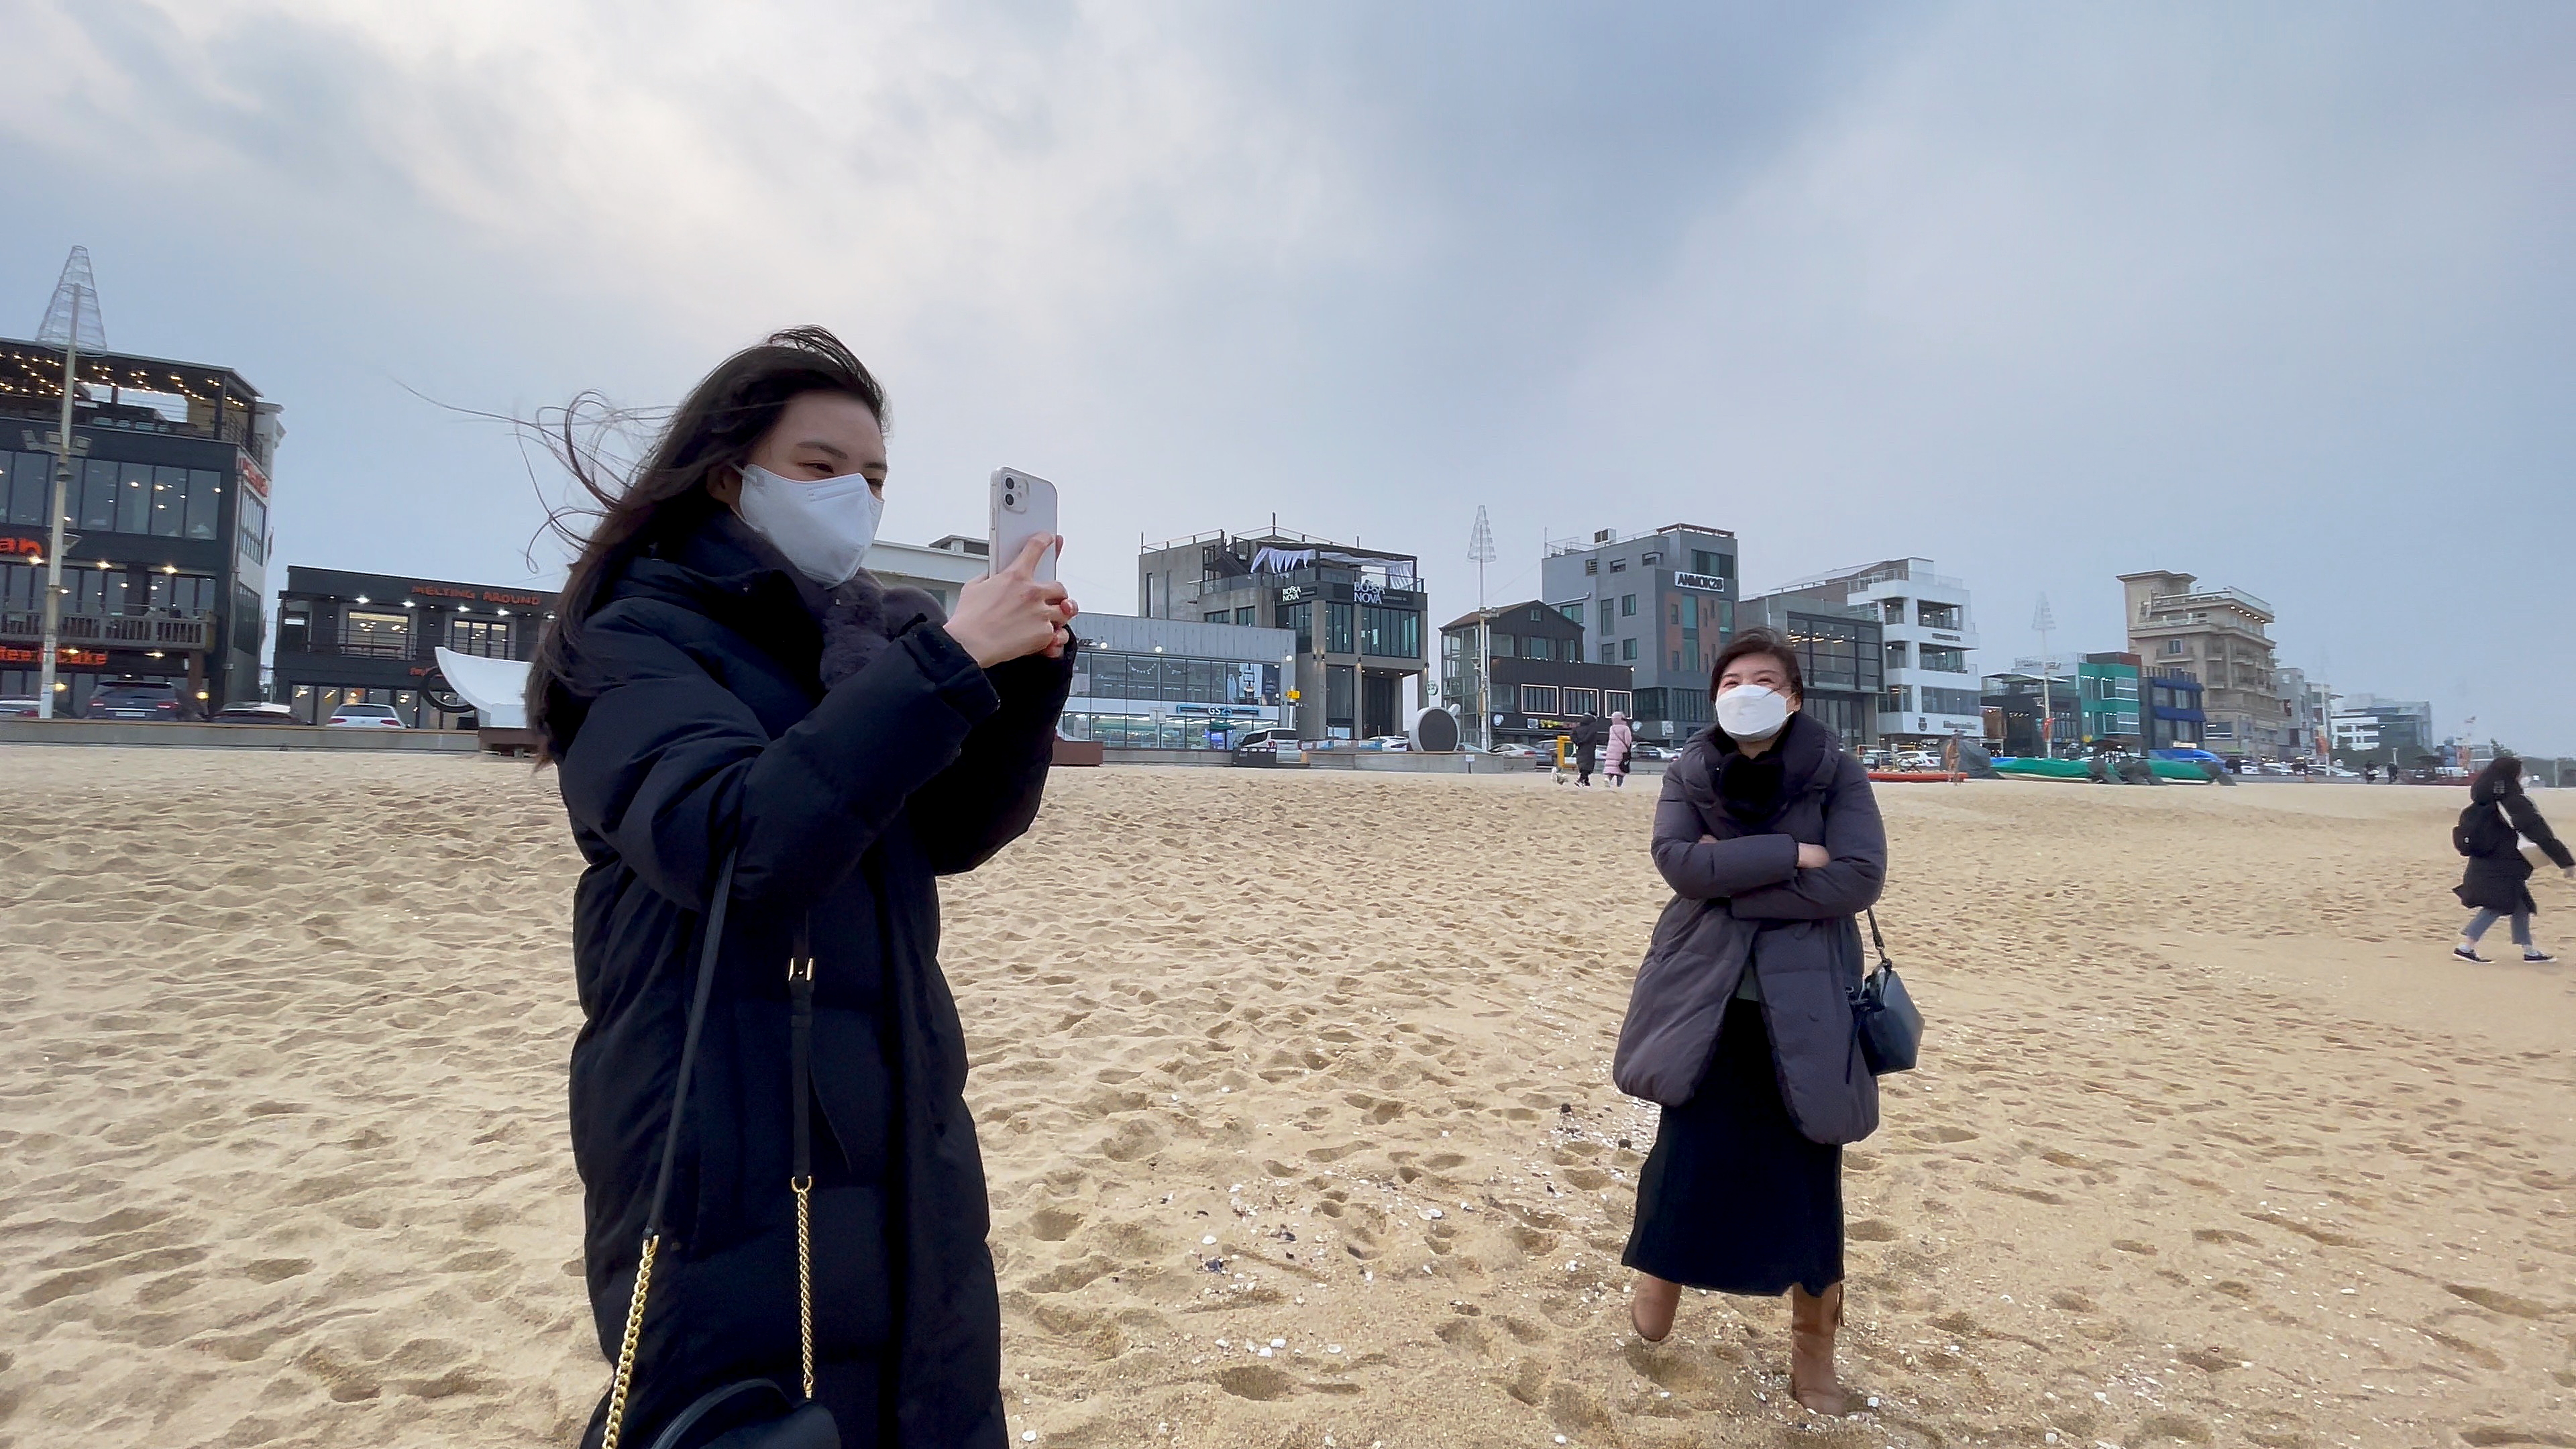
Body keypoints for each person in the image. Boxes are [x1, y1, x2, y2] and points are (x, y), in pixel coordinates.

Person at [529, 328, 1078, 1449]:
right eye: (821, 467)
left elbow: (950, 829)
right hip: (724, 1144)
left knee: (929, 1400)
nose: (855, 499)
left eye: (874, 478)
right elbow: (740, 846)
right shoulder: (635, 639)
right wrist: (943, 666)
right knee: (758, 1410)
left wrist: (1019, 685)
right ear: (730, 475)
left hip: (899, 1119)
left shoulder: (868, 635)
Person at [1623, 629, 1887, 1414]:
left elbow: (1858, 878)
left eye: (1766, 679)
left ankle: (1814, 1357)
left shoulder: (1837, 771)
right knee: (1686, 1160)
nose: (1748, 690)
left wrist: (1732, 881)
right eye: (1733, 679)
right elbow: (1679, 863)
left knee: (1807, 1181)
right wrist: (1793, 854)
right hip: (1704, 1000)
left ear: (1794, 696)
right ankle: (1658, 1285)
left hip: (1807, 1007)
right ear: (1714, 696)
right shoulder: (1691, 768)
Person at [2454, 755, 2573, 964]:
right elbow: (2539, 832)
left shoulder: (2482, 802)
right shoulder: (2513, 802)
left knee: (2521, 904)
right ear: (2513, 775)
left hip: (2486, 861)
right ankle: (2466, 947)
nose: (2523, 775)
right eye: (2520, 771)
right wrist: (2565, 861)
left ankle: (2529, 950)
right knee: (2498, 904)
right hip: (2505, 863)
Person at [1603, 710, 1635, 788]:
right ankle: (1619, 785)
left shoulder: (1612, 728)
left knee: (1612, 767)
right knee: (1620, 768)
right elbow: (1628, 741)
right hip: (1621, 750)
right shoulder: (1625, 728)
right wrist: (1628, 748)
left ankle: (1608, 779)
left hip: (1611, 750)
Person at [1574, 712, 1603, 786]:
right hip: (1590, 749)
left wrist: (1578, 742)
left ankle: (1586, 781)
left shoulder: (1578, 728)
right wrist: (1584, 741)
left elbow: (1572, 734)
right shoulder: (1592, 728)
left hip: (1580, 748)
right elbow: (1590, 737)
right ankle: (1581, 780)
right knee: (1588, 765)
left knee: (1583, 764)